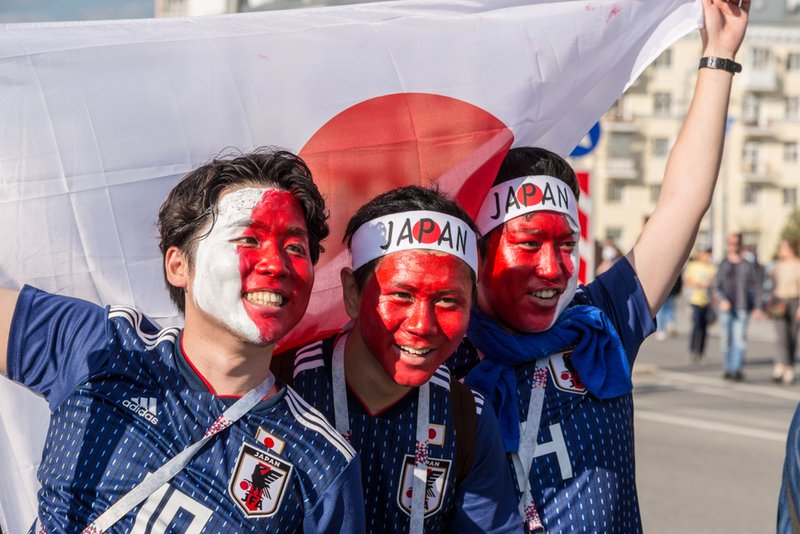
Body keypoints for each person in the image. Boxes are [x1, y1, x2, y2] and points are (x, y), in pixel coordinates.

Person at [447, 1, 750, 532]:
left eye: (566, 244)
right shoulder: (436, 344)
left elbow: (682, 202)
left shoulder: (602, 322)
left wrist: (719, 55)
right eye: (529, 244)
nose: (553, 267)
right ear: (477, 249)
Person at [0, 148, 365, 533]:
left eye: (295, 248)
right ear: (179, 265)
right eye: (249, 239)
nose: (276, 265)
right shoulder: (103, 346)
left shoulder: (323, 463)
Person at [287, 186, 522, 533]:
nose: (422, 326)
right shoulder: (284, 387)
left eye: (448, 301)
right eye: (400, 295)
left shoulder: (466, 416)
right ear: (352, 293)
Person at [714, 232, 764, 381]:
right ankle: (728, 368)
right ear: (728, 245)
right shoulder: (723, 263)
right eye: (731, 243)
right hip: (725, 308)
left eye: (736, 243)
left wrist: (757, 307)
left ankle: (737, 369)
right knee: (726, 339)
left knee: (740, 338)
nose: (734, 246)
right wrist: (722, 300)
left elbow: (755, 287)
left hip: (741, 306)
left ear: (740, 245)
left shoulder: (747, 265)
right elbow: (715, 286)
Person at [769, 239, 800, 385]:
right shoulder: (777, 266)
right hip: (780, 302)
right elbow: (772, 286)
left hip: (795, 301)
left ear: (791, 249)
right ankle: (782, 366)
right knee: (781, 336)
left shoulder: (798, 265)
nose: (781, 250)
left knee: (792, 337)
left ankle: (787, 366)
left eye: (784, 248)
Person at [684, 248, 717, 362]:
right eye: (706, 255)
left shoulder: (712, 268)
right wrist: (699, 284)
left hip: (707, 301)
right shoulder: (694, 266)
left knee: (704, 328)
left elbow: (715, 283)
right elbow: (687, 281)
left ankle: (701, 352)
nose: (708, 258)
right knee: (696, 326)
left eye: (709, 256)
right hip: (695, 300)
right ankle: (693, 351)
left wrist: (710, 285)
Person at [655, 273, 682, 340]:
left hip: (662, 291)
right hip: (672, 290)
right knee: (670, 308)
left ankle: (661, 329)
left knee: (662, 310)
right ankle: (671, 322)